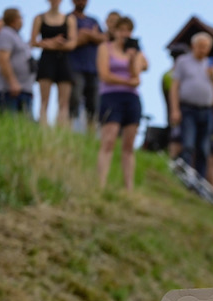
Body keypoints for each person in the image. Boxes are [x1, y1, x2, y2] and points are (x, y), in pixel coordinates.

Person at [95, 14, 145, 192]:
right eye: (121, 30)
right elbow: (104, 75)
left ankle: (129, 188)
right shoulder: (105, 48)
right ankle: (100, 184)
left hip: (131, 99)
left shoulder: (136, 51)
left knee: (129, 145)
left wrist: (132, 58)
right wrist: (125, 82)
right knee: (108, 140)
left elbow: (136, 77)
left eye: (128, 30)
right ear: (115, 31)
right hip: (111, 97)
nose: (125, 33)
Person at [168, 32, 213, 179]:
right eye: (201, 46)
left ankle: (199, 179)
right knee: (188, 144)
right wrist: (175, 109)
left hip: (206, 110)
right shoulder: (183, 61)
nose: (203, 50)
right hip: (188, 108)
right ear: (194, 46)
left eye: (206, 47)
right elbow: (175, 86)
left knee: (203, 149)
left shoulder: (210, 65)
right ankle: (184, 174)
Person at [30, 0, 76, 128]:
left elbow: (72, 44)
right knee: (44, 101)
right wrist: (52, 42)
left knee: (64, 102)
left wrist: (52, 44)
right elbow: (33, 42)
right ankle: (43, 129)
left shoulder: (69, 19)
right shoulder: (39, 18)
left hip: (63, 60)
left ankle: (61, 131)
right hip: (46, 60)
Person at [66, 0, 104, 131]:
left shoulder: (93, 20)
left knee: (93, 104)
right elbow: (71, 42)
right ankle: (69, 129)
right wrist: (90, 36)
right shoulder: (68, 19)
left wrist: (86, 34)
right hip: (74, 67)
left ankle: (91, 133)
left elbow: (103, 39)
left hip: (93, 69)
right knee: (74, 99)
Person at [0, 7, 33, 116]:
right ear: (15, 19)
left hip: (23, 89)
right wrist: (12, 82)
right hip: (10, 90)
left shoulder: (16, 36)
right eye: (21, 17)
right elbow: (3, 59)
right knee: (10, 124)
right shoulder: (5, 34)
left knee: (24, 128)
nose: (22, 20)